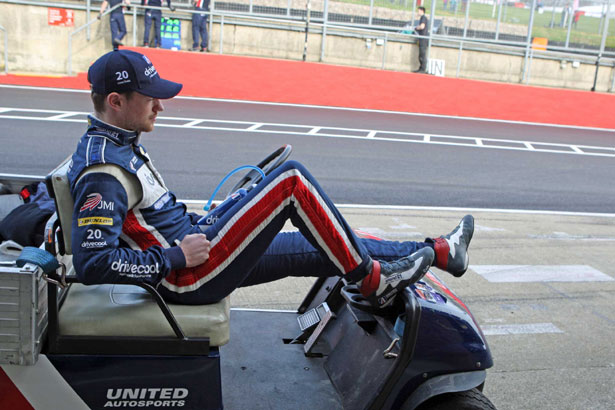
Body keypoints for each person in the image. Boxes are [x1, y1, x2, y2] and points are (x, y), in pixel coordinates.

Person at [68, 50, 475, 309]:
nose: (161, 105)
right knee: (291, 183)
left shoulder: (117, 143)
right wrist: (174, 258)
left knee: (324, 243)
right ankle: (372, 282)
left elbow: (151, 223)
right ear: (116, 102)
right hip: (188, 276)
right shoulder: (103, 171)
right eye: (150, 96)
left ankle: (439, 251)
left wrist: (221, 214)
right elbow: (93, 263)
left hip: (198, 246)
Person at [413, 7, 429, 74]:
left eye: (419, 11)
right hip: (422, 38)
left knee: (422, 54)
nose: (418, 12)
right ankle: (421, 68)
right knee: (421, 54)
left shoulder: (423, 18)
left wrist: (417, 28)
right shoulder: (422, 18)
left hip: (423, 39)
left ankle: (423, 69)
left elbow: (422, 26)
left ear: (422, 11)